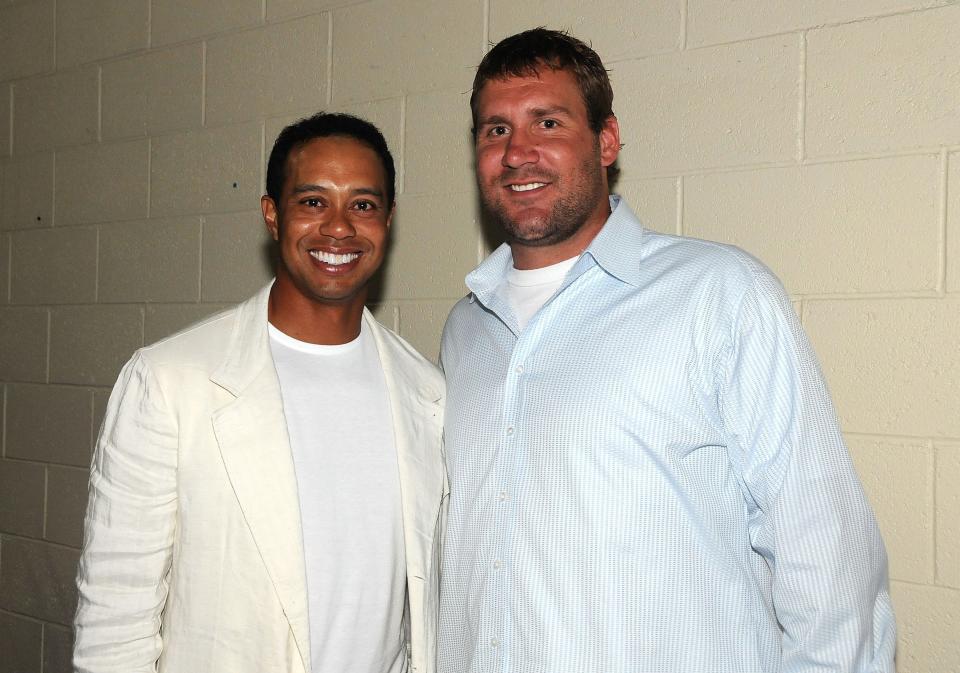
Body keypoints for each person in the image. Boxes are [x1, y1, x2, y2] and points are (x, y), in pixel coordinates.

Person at [438, 28, 895, 673]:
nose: (518, 153)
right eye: (495, 130)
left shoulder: (719, 295)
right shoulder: (466, 329)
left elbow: (831, 568)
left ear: (606, 141)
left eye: (547, 121)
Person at [74, 113, 446, 673]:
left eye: (363, 205)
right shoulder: (171, 381)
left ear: (388, 220)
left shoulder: (427, 392)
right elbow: (114, 615)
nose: (339, 228)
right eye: (313, 202)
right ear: (272, 215)